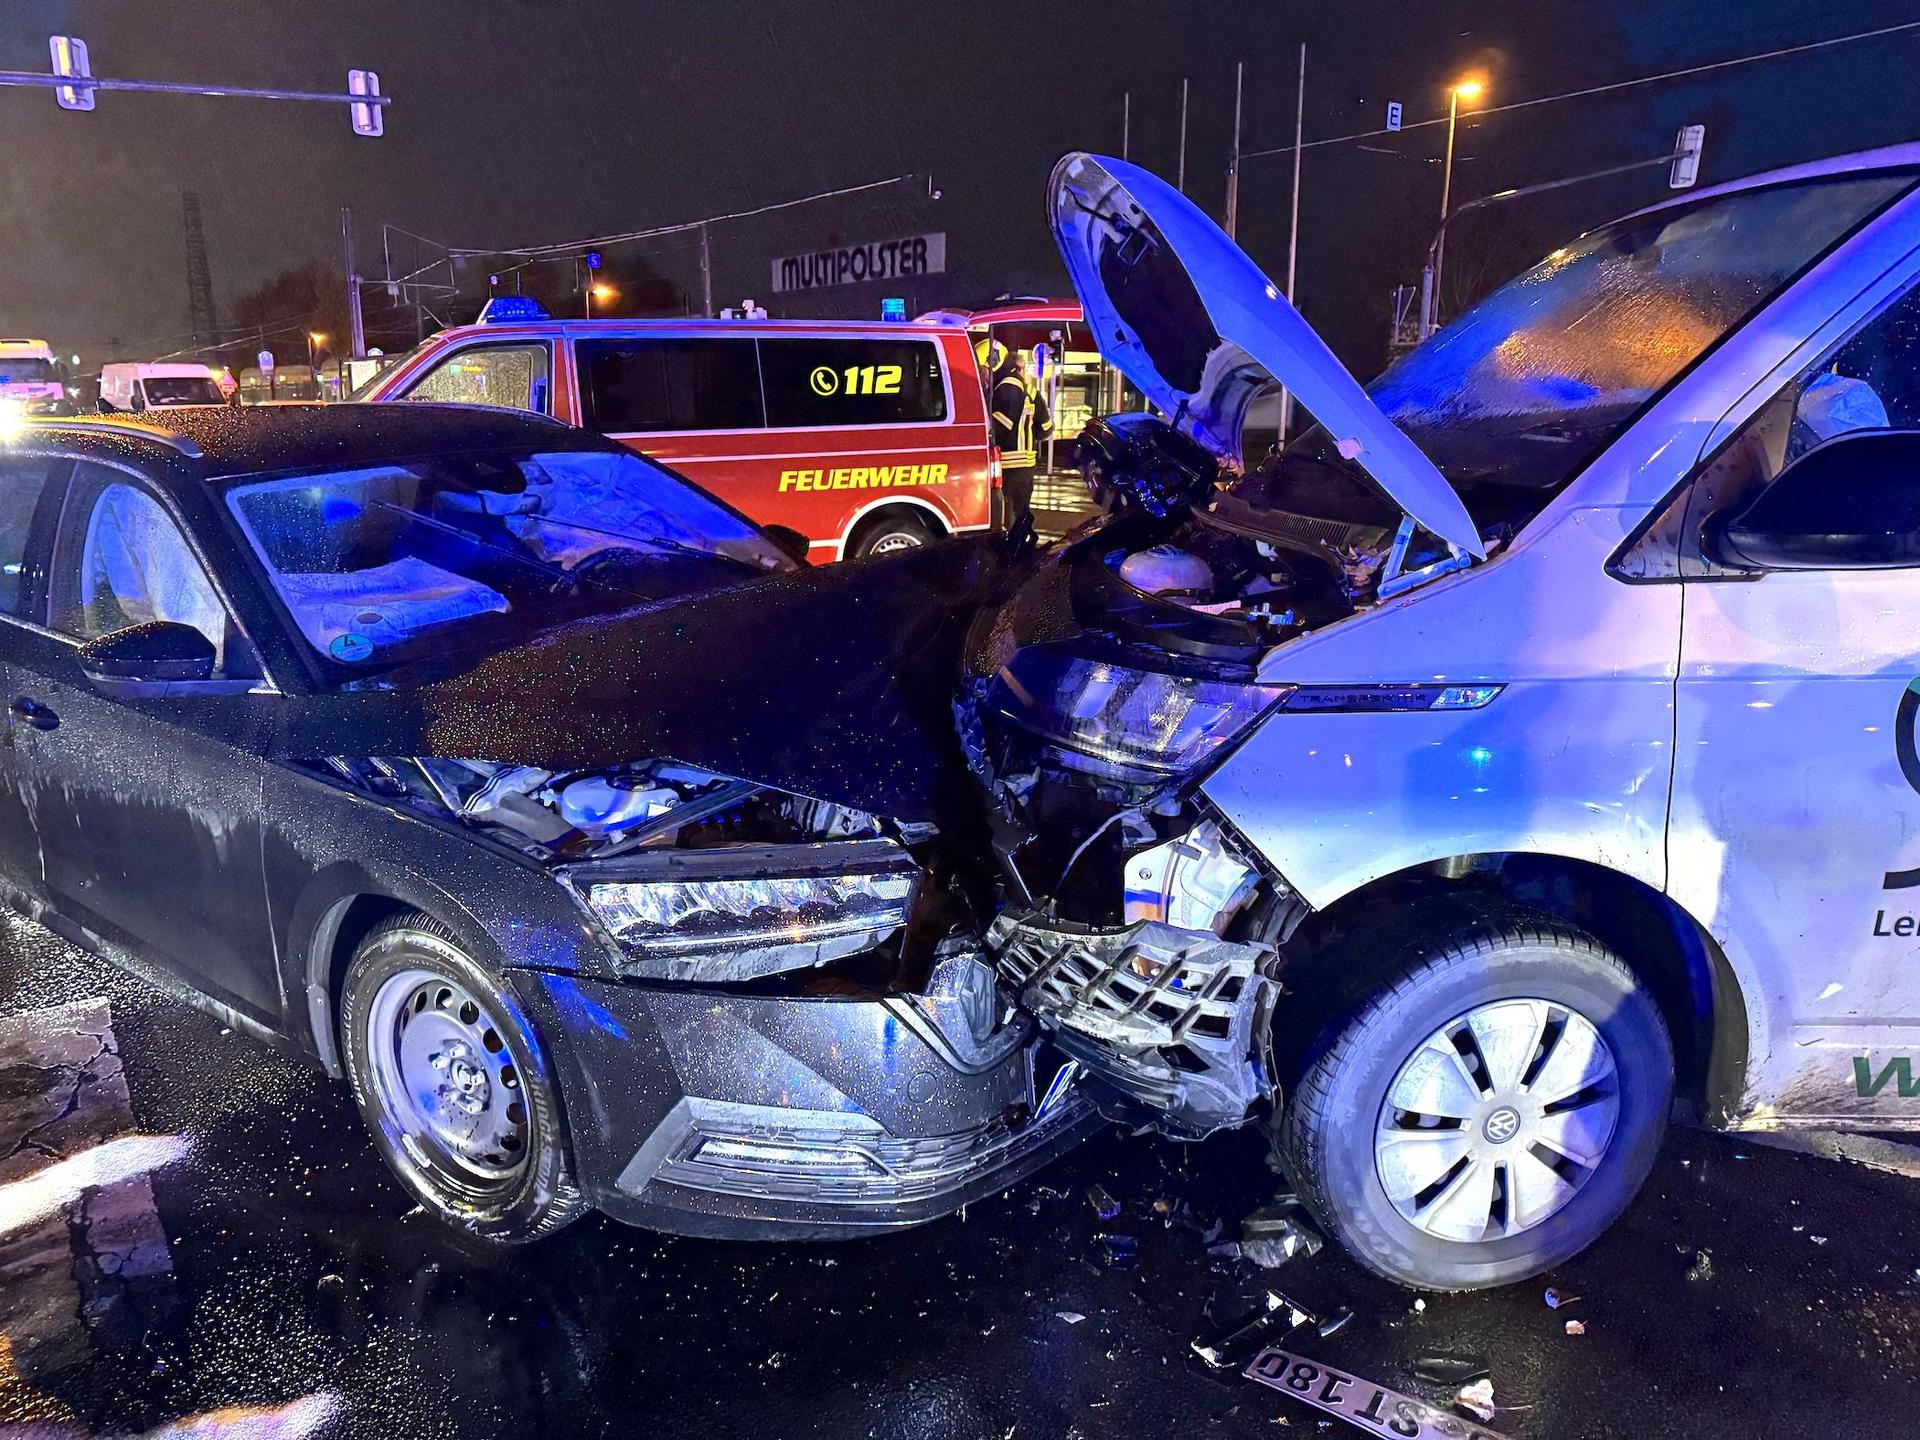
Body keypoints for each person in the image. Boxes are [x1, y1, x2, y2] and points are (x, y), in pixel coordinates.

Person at [990, 350, 1051, 534]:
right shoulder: (1031, 391)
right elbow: (1046, 428)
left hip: (1008, 461)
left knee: (1004, 512)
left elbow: (1002, 423)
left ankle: (1008, 552)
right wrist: (1030, 436)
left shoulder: (1005, 386)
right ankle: (1024, 548)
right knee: (1022, 510)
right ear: (1018, 368)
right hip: (1026, 464)